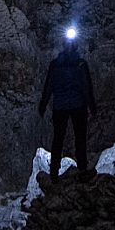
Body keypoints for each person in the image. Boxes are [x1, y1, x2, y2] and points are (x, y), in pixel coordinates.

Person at [38, 26, 97, 178]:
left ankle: (53, 172)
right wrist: (93, 108)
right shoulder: (81, 64)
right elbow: (86, 87)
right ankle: (82, 169)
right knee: (80, 138)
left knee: (58, 139)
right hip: (78, 106)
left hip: (60, 106)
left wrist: (42, 106)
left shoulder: (55, 64)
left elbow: (48, 86)